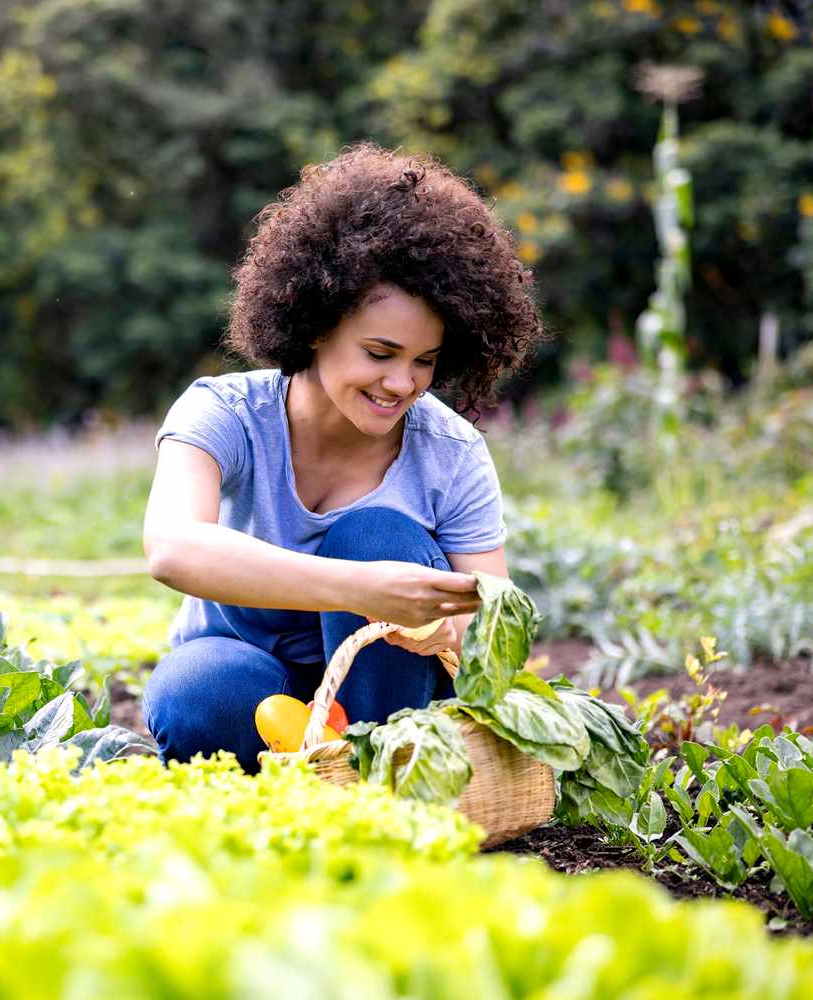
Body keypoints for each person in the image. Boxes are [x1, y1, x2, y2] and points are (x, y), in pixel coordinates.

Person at [141, 143, 547, 772]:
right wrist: (363, 589)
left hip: (388, 694)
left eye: (425, 361)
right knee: (202, 692)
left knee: (377, 532)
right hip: (254, 678)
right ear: (316, 325)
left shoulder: (450, 452)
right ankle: (317, 773)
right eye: (380, 353)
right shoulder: (224, 414)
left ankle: (374, 771)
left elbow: (493, 629)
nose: (402, 383)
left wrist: (449, 633)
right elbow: (171, 548)